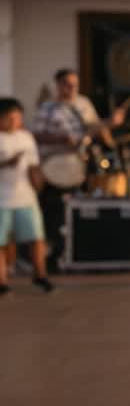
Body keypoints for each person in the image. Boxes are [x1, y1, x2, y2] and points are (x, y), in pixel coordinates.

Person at [30, 68, 125, 270]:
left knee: (79, 208)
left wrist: (111, 123)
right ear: (58, 85)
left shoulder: (84, 104)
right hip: (53, 165)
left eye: (74, 83)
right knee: (54, 212)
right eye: (67, 83)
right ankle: (53, 255)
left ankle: (76, 251)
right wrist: (61, 139)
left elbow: (95, 129)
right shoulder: (47, 108)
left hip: (80, 165)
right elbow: (35, 135)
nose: (71, 87)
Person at [0, 98, 54, 295]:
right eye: (10, 117)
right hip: (2, 199)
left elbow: (33, 165)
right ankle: (2, 281)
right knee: (2, 242)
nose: (15, 121)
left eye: (18, 117)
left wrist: (39, 181)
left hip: (26, 197)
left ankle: (40, 275)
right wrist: (6, 163)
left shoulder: (26, 137)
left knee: (37, 237)